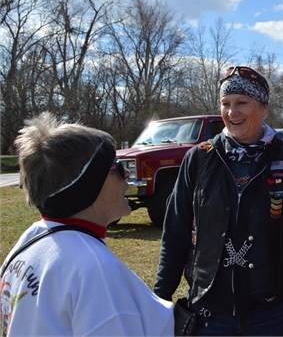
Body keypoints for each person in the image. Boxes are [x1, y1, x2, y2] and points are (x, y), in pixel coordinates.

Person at [154, 66, 283, 336]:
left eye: (242, 103)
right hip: (208, 314)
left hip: (271, 313)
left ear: (264, 108)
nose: (232, 113)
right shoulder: (198, 159)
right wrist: (159, 303)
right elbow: (175, 233)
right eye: (226, 103)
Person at [1, 112, 174, 336]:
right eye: (118, 167)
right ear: (89, 185)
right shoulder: (95, 270)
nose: (127, 173)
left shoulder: (31, 238)